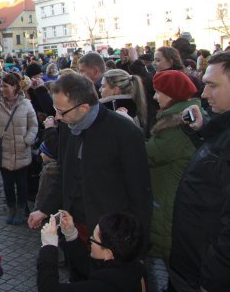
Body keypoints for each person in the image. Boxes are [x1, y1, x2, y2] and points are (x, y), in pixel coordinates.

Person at [28, 73, 151, 259]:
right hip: (74, 229)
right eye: (56, 109)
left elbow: (140, 195)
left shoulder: (125, 133)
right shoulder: (68, 127)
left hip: (109, 236)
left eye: (62, 111)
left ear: (84, 108)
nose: (57, 117)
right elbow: (64, 174)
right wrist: (44, 209)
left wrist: (137, 249)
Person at [167, 52, 230, 292]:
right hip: (190, 267)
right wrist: (203, 131)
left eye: (212, 86)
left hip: (202, 276)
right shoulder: (221, 128)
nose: (204, 94)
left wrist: (211, 281)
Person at [145, 70, 198, 266]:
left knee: (163, 267)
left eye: (159, 92)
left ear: (172, 94)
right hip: (171, 196)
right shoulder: (179, 119)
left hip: (168, 203)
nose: (154, 97)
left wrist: (128, 130)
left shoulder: (174, 128)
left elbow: (148, 155)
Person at [37, 210, 146, 292]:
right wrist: (71, 234)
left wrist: (49, 247)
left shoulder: (102, 286)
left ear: (108, 253)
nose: (90, 240)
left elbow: (49, 289)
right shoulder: (130, 267)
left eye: (94, 239)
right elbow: (88, 267)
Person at [0, 72, 38, 225]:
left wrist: (27, 140)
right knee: (7, 183)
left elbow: (33, 125)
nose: (2, 89)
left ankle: (21, 208)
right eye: (1, 86)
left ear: (15, 87)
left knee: (22, 183)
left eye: (6, 86)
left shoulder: (26, 104)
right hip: (4, 152)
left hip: (22, 151)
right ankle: (11, 208)